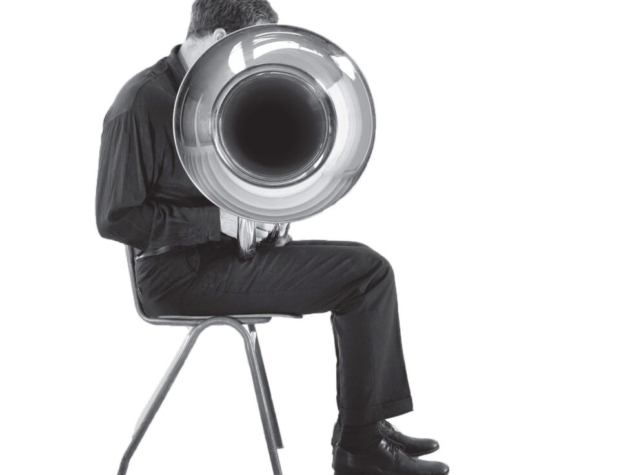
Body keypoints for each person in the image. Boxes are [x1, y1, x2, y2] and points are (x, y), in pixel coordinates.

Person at [96, 1, 449, 473]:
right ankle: (360, 447)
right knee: (365, 273)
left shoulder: (214, 93)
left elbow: (223, 182)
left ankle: (365, 426)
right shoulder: (140, 102)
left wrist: (264, 217)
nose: (247, 61)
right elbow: (114, 218)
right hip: (176, 277)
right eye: (244, 46)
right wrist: (218, 223)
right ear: (220, 37)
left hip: (220, 261)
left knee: (367, 268)